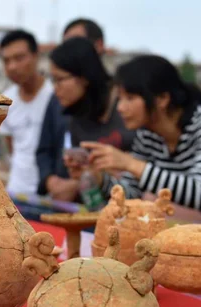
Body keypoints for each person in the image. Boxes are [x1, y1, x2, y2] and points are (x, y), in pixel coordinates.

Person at [72, 55, 201, 230]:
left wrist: (129, 163)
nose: (120, 107)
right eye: (120, 99)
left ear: (162, 99)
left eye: (129, 98)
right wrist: (98, 178)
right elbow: (131, 194)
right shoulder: (148, 134)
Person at [46, 37, 135, 204]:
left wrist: (110, 167)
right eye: (53, 80)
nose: (55, 88)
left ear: (84, 77)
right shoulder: (76, 120)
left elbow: (147, 167)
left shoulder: (127, 105)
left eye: (59, 80)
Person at [36, 18, 107, 201]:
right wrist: (52, 182)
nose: (56, 88)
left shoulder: (123, 104)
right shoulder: (69, 109)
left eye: (59, 80)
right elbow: (44, 149)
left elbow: (135, 172)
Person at [0, 30, 54, 195]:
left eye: (19, 58)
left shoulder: (56, 96)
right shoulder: (6, 100)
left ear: (36, 56)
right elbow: (11, 148)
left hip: (51, 195)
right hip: (17, 192)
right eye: (6, 61)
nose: (12, 66)